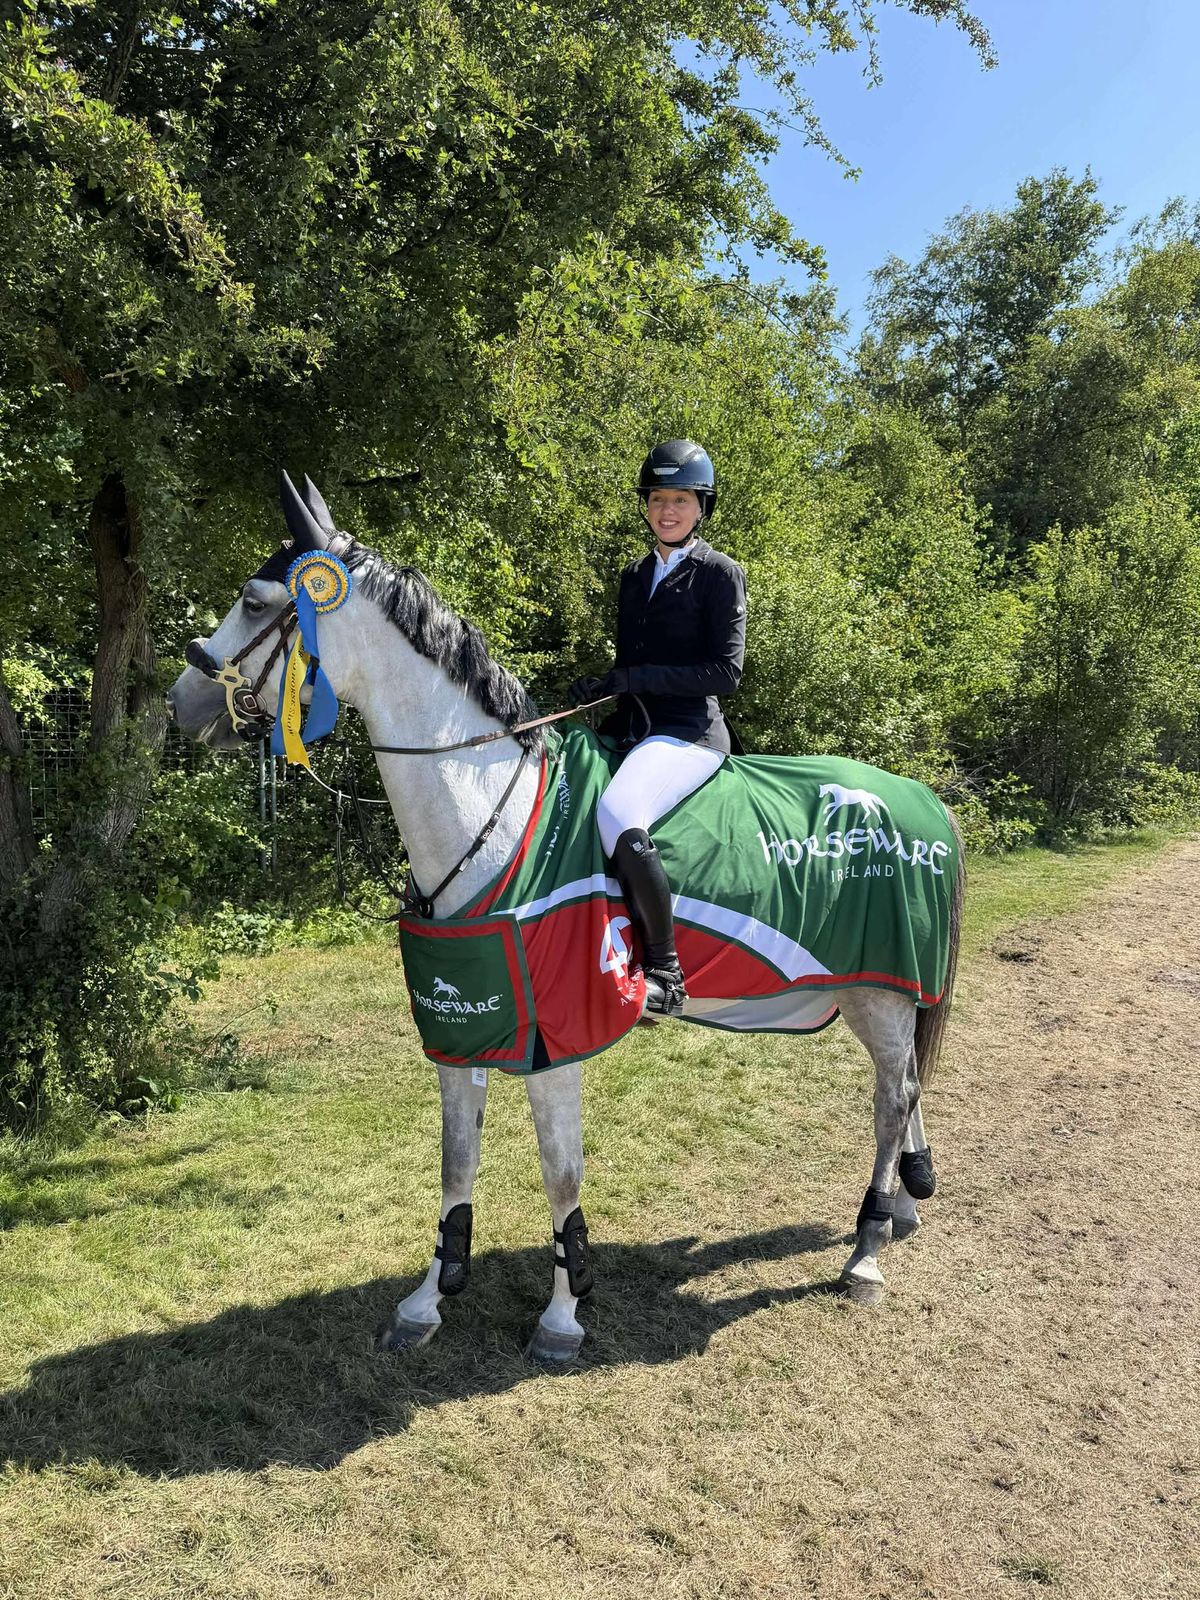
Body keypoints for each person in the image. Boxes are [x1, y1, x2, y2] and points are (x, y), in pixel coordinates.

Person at [569, 439, 747, 1015]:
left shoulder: (720, 573)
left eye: (680, 500)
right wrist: (605, 686)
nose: (667, 510)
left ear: (701, 507)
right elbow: (634, 665)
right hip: (634, 727)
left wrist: (636, 677)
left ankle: (667, 973)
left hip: (688, 733)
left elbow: (725, 673)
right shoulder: (635, 574)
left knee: (618, 812)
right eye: (657, 499)